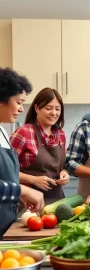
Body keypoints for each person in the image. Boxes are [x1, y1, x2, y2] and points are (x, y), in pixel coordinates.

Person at [0, 67, 44, 237]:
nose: (21, 109)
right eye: (18, 102)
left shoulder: (3, 132)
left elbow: (7, 174)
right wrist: (22, 191)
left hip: (6, 226)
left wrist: (17, 195)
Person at [10, 88, 69, 205]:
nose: (54, 113)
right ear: (37, 108)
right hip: (28, 202)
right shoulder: (24, 133)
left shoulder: (61, 134)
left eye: (57, 109)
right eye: (48, 108)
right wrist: (33, 179)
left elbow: (60, 166)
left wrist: (65, 172)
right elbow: (7, 171)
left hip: (57, 200)